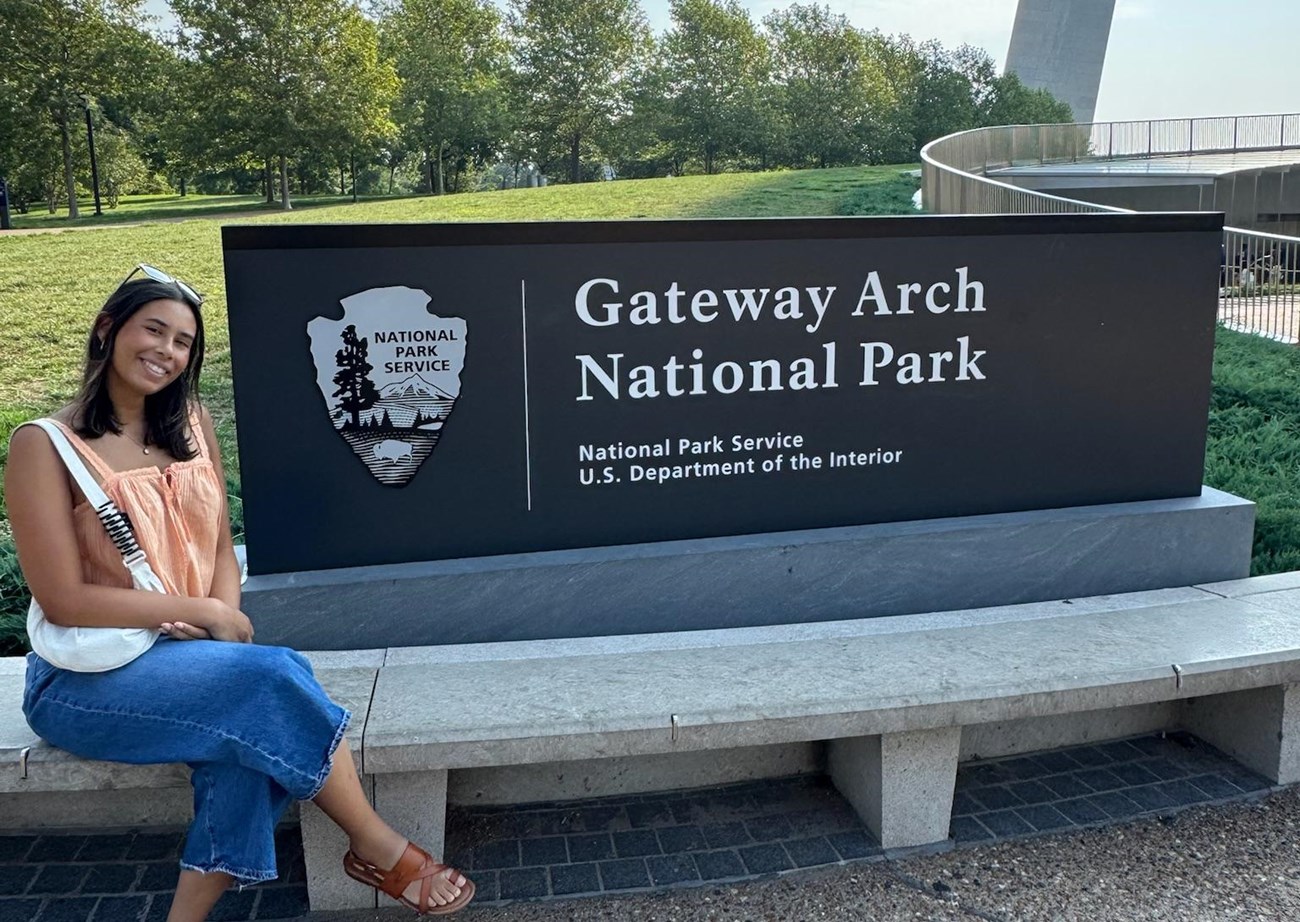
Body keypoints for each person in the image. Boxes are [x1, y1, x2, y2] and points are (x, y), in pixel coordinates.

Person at [4, 266, 474, 921]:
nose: (167, 351)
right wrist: (204, 612)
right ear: (108, 329)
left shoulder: (192, 426)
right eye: (153, 330)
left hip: (189, 659)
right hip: (84, 682)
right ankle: (374, 842)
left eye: (183, 342)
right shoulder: (44, 445)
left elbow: (220, 545)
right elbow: (64, 600)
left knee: (248, 747)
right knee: (275, 678)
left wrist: (222, 624)